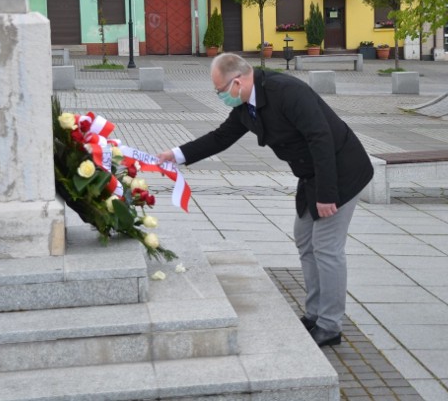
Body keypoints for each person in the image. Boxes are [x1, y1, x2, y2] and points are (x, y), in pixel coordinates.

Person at [157, 53, 373, 347]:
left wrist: (326, 195)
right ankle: (314, 314)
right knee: (304, 239)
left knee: (327, 247)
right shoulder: (248, 105)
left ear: (238, 81)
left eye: (221, 90)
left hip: (340, 173)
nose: (220, 96)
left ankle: (330, 325)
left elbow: (320, 137)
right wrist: (176, 155)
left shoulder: (287, 92)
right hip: (311, 175)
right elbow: (220, 137)